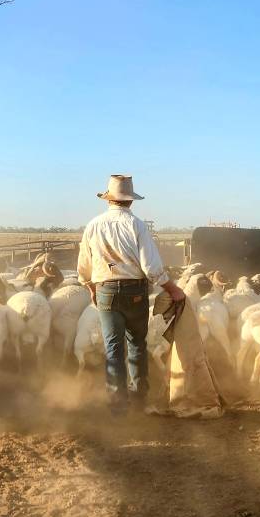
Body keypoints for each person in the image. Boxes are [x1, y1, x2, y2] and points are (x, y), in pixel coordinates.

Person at [77, 175, 186, 415]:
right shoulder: (136, 225)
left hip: (105, 290)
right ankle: (138, 399)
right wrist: (173, 289)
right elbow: (151, 267)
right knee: (136, 343)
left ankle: (117, 403)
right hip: (135, 291)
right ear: (130, 201)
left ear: (109, 199)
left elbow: (84, 266)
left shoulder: (93, 225)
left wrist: (91, 288)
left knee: (113, 346)